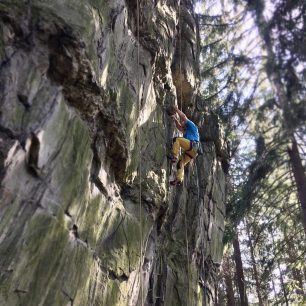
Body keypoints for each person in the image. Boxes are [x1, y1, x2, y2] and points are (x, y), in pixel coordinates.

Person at [168, 105, 200, 186]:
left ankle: (174, 156)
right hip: (192, 152)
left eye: (182, 121)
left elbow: (184, 116)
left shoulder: (192, 125)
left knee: (177, 139)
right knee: (180, 163)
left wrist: (176, 109)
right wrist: (175, 119)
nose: (181, 122)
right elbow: (180, 128)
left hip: (192, 146)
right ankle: (179, 179)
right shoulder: (187, 130)